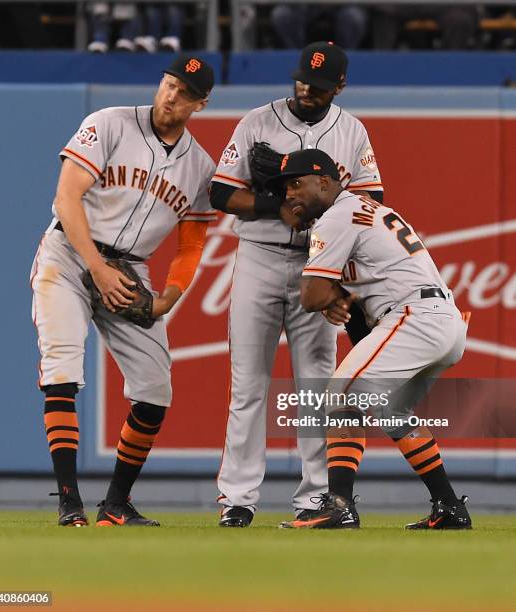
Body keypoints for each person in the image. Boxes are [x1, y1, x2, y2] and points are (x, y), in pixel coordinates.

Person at [31, 54, 216, 526]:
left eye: (184, 91)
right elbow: (65, 197)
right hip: (71, 255)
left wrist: (170, 297)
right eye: (169, 83)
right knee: (62, 367)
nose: (172, 95)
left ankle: (116, 504)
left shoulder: (199, 165)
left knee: (155, 389)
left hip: (131, 273)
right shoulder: (109, 123)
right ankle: (69, 503)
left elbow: (192, 240)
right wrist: (95, 265)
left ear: (201, 103)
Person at [210, 41, 383, 527]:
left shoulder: (351, 130)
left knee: (315, 387)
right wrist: (271, 201)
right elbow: (221, 191)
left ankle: (315, 498)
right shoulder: (257, 122)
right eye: (303, 78)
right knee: (247, 385)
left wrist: (309, 205)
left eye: (320, 84)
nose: (307, 88)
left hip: (319, 264)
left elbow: (371, 197)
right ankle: (237, 499)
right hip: (260, 258)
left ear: (340, 86)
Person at [267, 149, 472, 530]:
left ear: (325, 182)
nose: (289, 194)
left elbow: (311, 295)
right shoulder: (361, 211)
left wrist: (331, 298)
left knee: (340, 397)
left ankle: (338, 505)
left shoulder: (336, 217)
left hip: (415, 317)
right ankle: (448, 507)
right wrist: (339, 298)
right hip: (444, 322)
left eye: (296, 184)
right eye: (284, 188)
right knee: (392, 413)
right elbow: (343, 294)